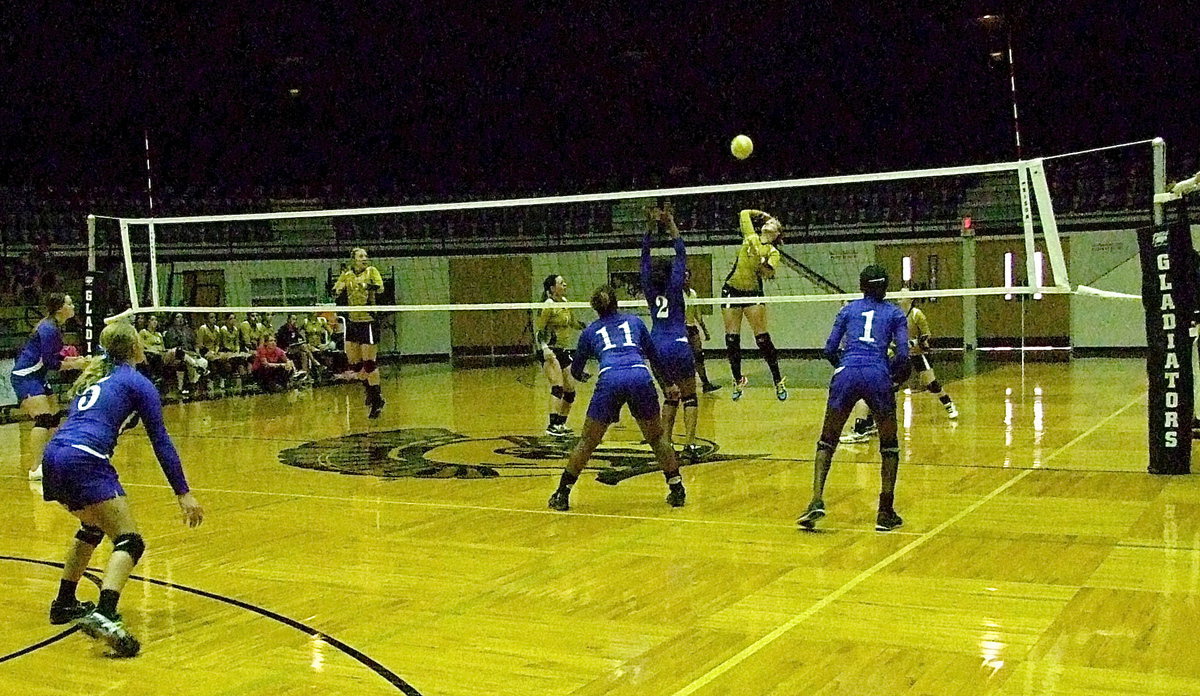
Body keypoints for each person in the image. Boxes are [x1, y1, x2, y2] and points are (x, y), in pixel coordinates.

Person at [41, 321, 204, 657]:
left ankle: (65, 602)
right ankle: (105, 612)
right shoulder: (137, 382)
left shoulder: (96, 378)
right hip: (84, 458)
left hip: (54, 456)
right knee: (129, 540)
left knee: (91, 526)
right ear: (135, 348)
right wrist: (182, 491)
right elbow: (161, 440)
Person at [547, 285, 685, 511]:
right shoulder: (635, 323)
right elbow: (654, 357)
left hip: (610, 379)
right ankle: (677, 488)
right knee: (656, 437)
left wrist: (581, 376)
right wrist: (668, 384)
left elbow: (575, 370)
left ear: (595, 309)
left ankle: (562, 493)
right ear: (617, 303)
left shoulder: (590, 332)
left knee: (588, 441)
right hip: (640, 375)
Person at [798, 265, 910, 533]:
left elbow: (828, 349)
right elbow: (904, 355)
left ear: (861, 287)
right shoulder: (895, 313)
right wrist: (891, 375)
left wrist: (845, 367)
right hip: (878, 375)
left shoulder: (848, 309)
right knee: (889, 445)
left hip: (846, 373)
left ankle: (815, 500)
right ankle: (885, 512)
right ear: (885, 288)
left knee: (827, 440)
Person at [841, 292, 958, 443]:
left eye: (903, 296)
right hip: (899, 355)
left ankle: (948, 405)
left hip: (917, 354)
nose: (899, 298)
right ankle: (871, 421)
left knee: (931, 383)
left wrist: (913, 343)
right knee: (889, 388)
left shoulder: (917, 314)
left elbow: (926, 335)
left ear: (910, 299)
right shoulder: (894, 313)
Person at [643, 205, 701, 460]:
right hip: (678, 343)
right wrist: (670, 224)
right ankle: (689, 444)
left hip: (655, 346)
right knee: (689, 396)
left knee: (670, 395)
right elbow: (681, 252)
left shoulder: (648, 286)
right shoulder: (676, 285)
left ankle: (665, 442)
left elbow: (644, 257)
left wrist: (650, 227)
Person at [10, 293, 85, 479]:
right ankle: (36, 468)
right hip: (26, 376)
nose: (73, 306)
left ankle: (52, 461)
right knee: (43, 418)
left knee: (54, 416)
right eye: (70, 303)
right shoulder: (48, 329)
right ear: (60, 308)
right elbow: (51, 363)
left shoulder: (54, 326)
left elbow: (52, 356)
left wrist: (74, 359)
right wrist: (75, 364)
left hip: (38, 375)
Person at [721, 208, 786, 401]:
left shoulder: (773, 253)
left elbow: (768, 274)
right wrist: (765, 214)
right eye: (769, 222)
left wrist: (760, 259)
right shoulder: (750, 236)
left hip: (752, 293)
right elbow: (743, 213)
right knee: (732, 340)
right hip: (731, 290)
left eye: (774, 223)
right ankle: (738, 379)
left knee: (762, 339)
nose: (769, 223)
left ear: (777, 234)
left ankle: (777, 380)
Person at [332, 248, 386, 417]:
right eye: (361, 256)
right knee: (355, 364)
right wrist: (337, 289)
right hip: (352, 321)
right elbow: (335, 291)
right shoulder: (347, 274)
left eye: (366, 256)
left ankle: (376, 398)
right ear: (353, 259)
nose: (365, 258)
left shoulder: (372, 271)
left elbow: (380, 288)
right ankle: (371, 393)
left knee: (369, 363)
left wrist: (366, 285)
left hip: (368, 321)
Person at [534, 274, 585, 437]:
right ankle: (551, 425)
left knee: (570, 390)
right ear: (552, 288)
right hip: (549, 350)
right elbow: (538, 331)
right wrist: (544, 348)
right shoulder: (547, 306)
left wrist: (588, 327)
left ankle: (561, 423)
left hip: (562, 351)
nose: (565, 285)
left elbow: (572, 323)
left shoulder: (565, 303)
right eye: (561, 283)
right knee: (558, 387)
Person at [684, 270, 720, 393]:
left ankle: (705, 384)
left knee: (699, 356)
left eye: (688, 277)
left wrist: (705, 330)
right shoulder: (676, 294)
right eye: (684, 277)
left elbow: (697, 314)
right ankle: (684, 385)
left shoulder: (693, 293)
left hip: (692, 329)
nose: (686, 279)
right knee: (684, 359)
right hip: (680, 330)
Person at [162, 313, 209, 399]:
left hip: (191, 353)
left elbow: (195, 344)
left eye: (182, 317)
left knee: (203, 361)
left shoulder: (189, 331)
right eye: (177, 317)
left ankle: (193, 383)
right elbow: (171, 346)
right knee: (188, 361)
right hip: (177, 354)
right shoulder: (169, 331)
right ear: (173, 319)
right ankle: (196, 368)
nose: (180, 319)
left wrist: (197, 352)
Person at [276, 313, 313, 379]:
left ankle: (304, 372)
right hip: (286, 349)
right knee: (303, 347)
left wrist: (300, 341)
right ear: (288, 320)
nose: (294, 321)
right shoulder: (283, 330)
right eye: (293, 319)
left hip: (295, 348)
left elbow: (300, 338)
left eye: (295, 319)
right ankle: (315, 361)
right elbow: (284, 342)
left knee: (303, 353)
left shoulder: (295, 329)